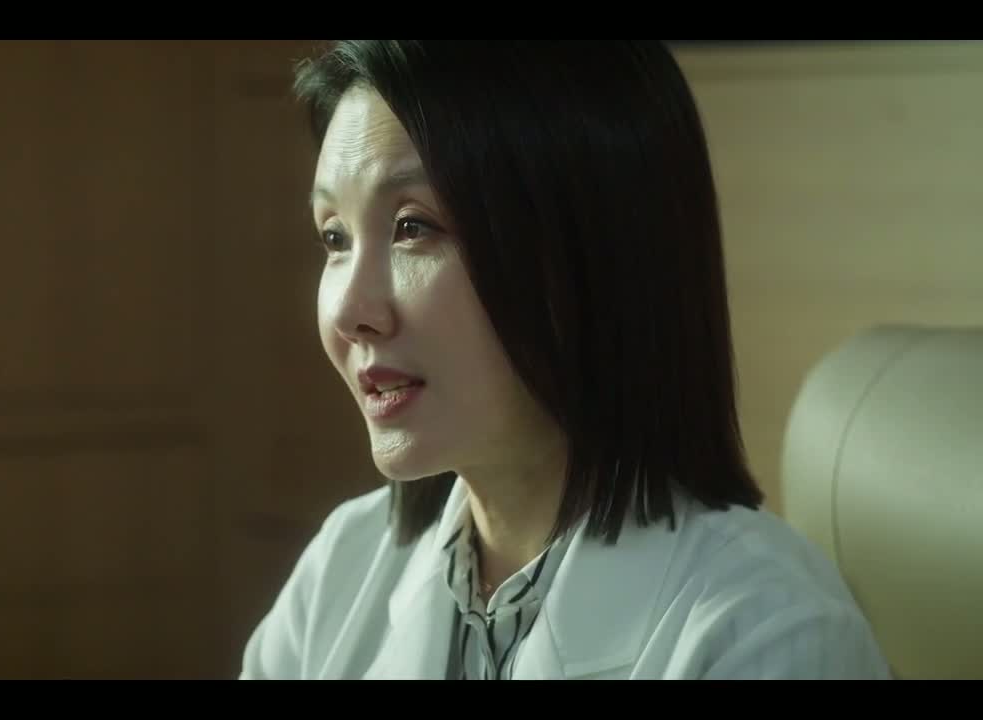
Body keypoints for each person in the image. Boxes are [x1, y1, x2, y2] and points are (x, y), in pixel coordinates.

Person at [239, 40, 891, 680]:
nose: (349, 311)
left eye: (413, 226)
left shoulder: (771, 634)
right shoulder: (341, 569)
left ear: (588, 252)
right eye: (335, 237)